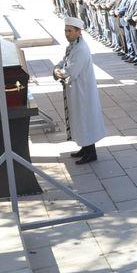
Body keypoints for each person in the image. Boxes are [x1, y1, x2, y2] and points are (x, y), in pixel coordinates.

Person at [53, 16, 107, 164]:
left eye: (69, 31)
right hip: (76, 89)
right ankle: (85, 147)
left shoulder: (81, 49)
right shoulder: (73, 45)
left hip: (83, 91)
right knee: (80, 119)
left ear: (78, 32)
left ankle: (91, 153)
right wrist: (57, 68)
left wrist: (59, 73)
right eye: (65, 30)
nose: (66, 33)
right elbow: (64, 61)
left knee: (85, 119)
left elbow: (72, 70)